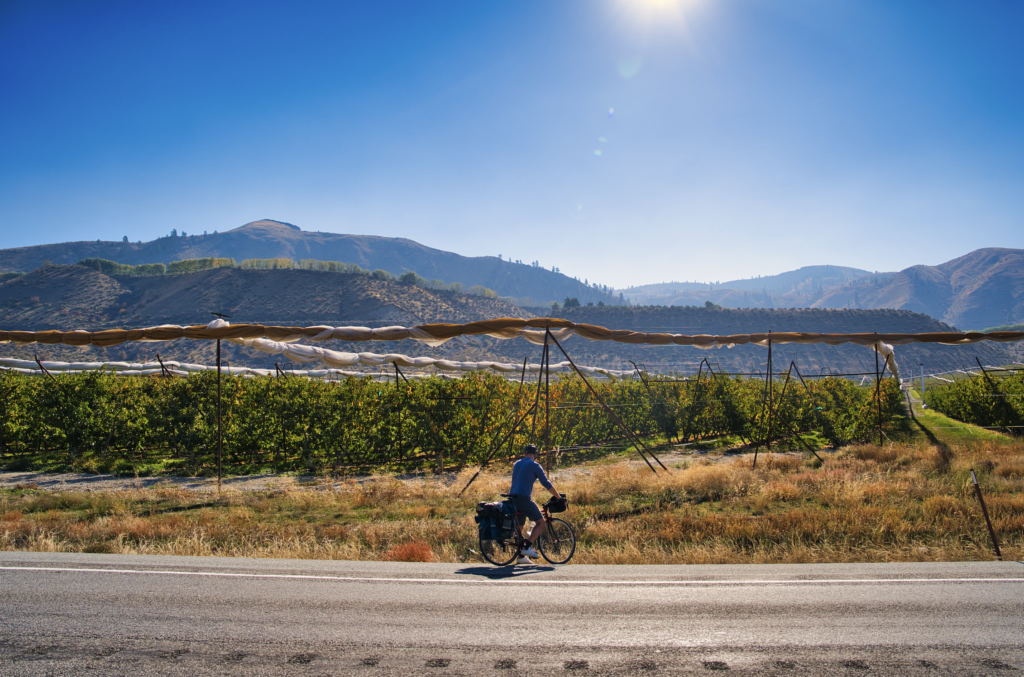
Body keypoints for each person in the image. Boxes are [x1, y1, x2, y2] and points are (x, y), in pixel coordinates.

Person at [507, 444, 564, 564]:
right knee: (541, 522)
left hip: (512, 498)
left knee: (519, 528)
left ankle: (520, 557)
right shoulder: (535, 465)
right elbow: (546, 483)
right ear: (536, 454)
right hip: (523, 498)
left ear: (525, 453)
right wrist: (558, 497)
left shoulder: (517, 463)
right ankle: (527, 547)